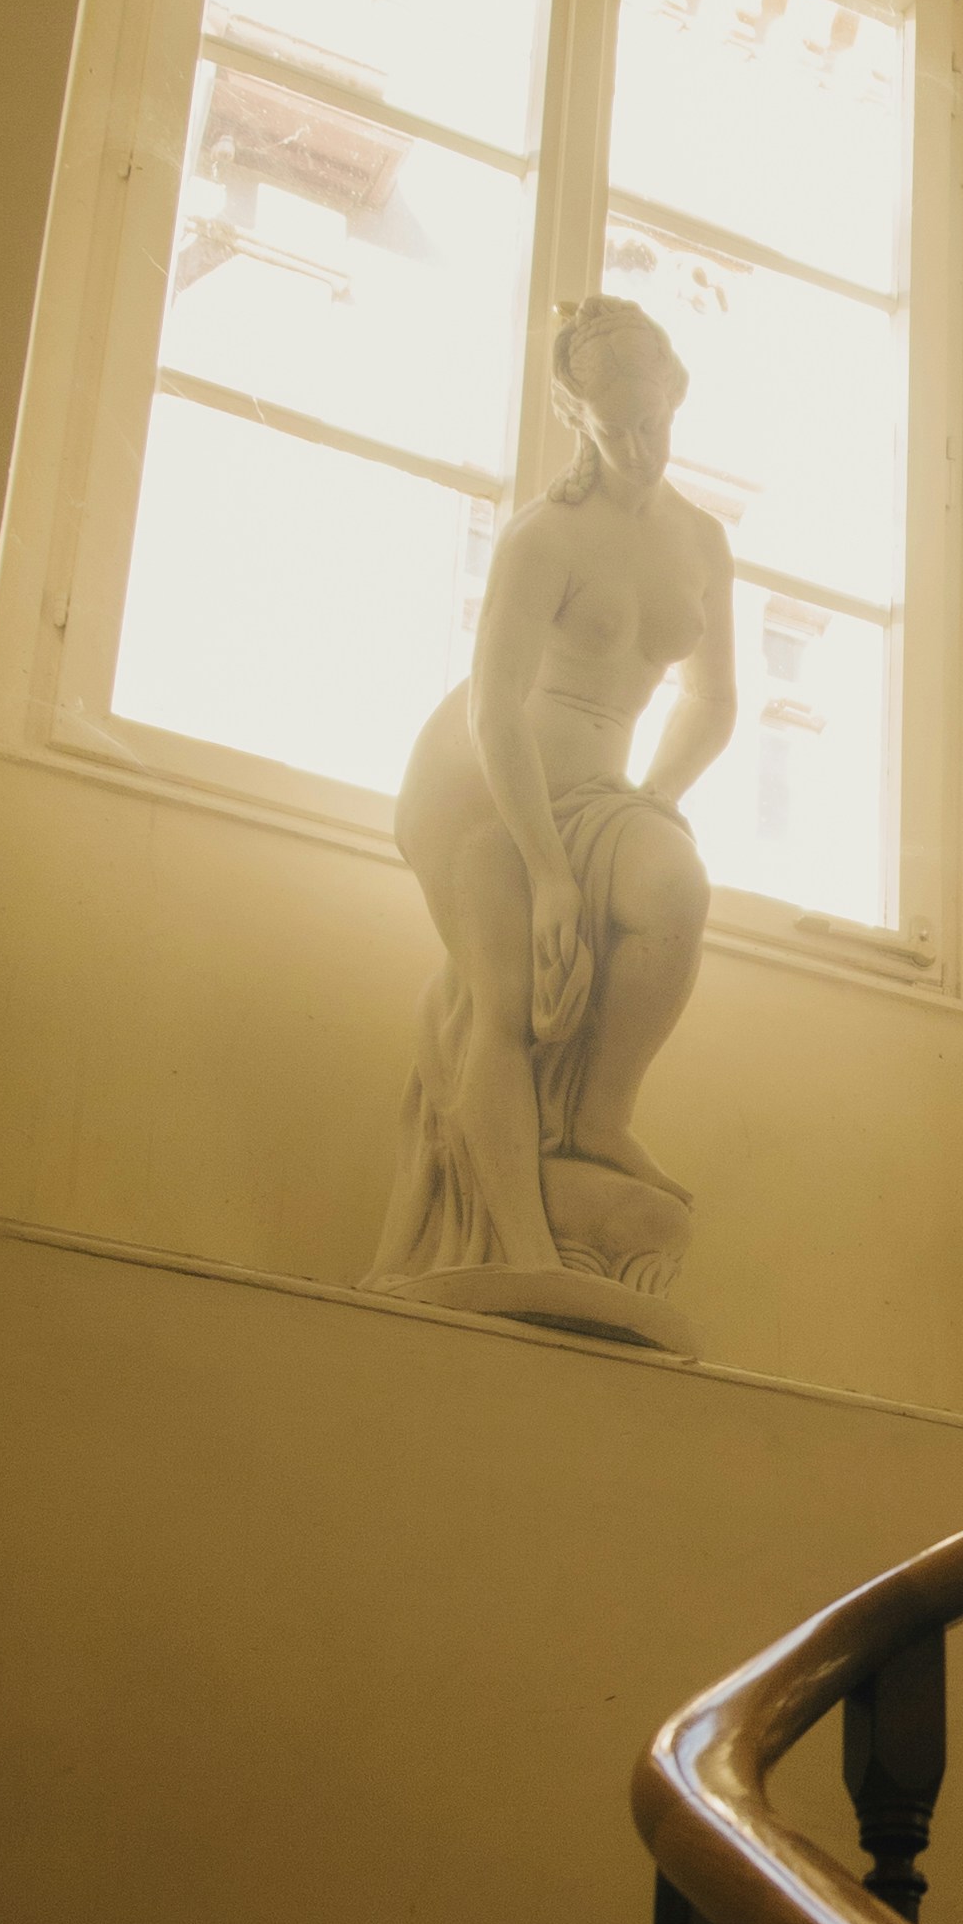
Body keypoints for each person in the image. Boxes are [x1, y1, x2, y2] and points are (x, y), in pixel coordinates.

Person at [369, 292, 733, 1299]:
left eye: (651, 422)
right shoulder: (544, 536)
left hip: (603, 788)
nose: (640, 448)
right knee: (508, 998)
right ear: (578, 418)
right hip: (486, 785)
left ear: (675, 395)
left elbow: (713, 701)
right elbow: (492, 710)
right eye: (615, 430)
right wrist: (550, 875)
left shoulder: (703, 541)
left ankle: (602, 1117)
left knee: (678, 887)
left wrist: (655, 796)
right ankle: (526, 1248)